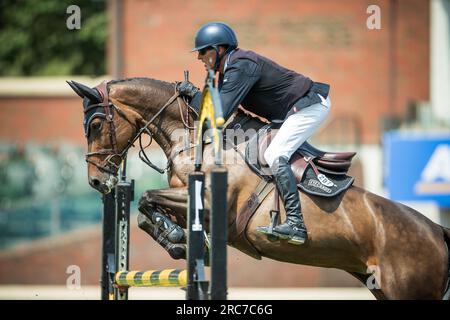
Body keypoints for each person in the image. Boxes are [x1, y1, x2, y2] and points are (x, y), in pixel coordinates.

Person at [177, 22, 331, 245]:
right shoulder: (227, 70)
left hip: (309, 106)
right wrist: (194, 95)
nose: (199, 58)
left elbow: (217, 116)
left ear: (219, 49)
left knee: (275, 153)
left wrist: (193, 94)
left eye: (203, 51)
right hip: (287, 113)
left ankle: (297, 224)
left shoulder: (241, 66)